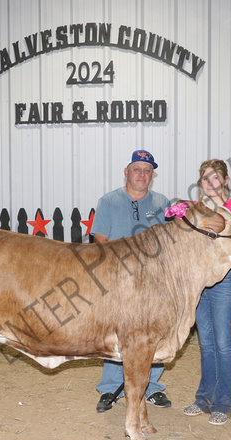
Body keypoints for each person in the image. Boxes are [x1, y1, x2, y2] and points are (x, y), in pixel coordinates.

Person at [91, 149, 172, 413]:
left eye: (147, 170)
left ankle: (151, 388)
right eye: (137, 169)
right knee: (118, 333)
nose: (142, 174)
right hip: (118, 278)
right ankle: (110, 388)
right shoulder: (109, 201)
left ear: (152, 175)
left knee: (155, 332)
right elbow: (100, 240)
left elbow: (169, 242)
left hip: (153, 280)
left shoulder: (162, 203)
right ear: (126, 172)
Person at [183, 158, 231, 425]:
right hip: (202, 283)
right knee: (207, 342)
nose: (210, 183)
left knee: (225, 344)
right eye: (205, 178)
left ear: (225, 180)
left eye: (215, 177)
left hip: (225, 281)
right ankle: (204, 397)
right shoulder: (197, 211)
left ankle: (224, 403)